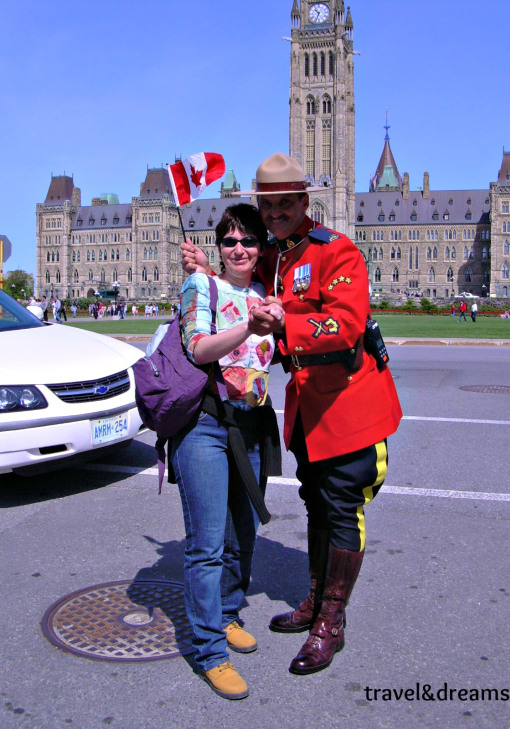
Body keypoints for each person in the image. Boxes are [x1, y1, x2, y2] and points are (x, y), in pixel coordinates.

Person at [182, 153, 402, 676]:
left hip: (351, 406)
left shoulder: (337, 251)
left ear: (305, 202)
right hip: (307, 411)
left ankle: (332, 621)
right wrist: (205, 269)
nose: (276, 214)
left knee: (343, 509)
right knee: (317, 505)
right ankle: (313, 598)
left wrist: (283, 327)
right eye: (269, 207)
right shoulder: (274, 257)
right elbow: (240, 284)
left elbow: (346, 325)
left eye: (286, 205)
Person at [171, 204, 282, 700]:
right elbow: (198, 348)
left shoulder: (263, 293)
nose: (239, 248)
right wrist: (251, 328)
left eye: (249, 241)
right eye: (229, 240)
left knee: (244, 534)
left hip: (252, 426)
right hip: (206, 428)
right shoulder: (201, 287)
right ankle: (210, 650)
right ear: (220, 247)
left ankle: (230, 611)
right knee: (207, 544)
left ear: (261, 249)